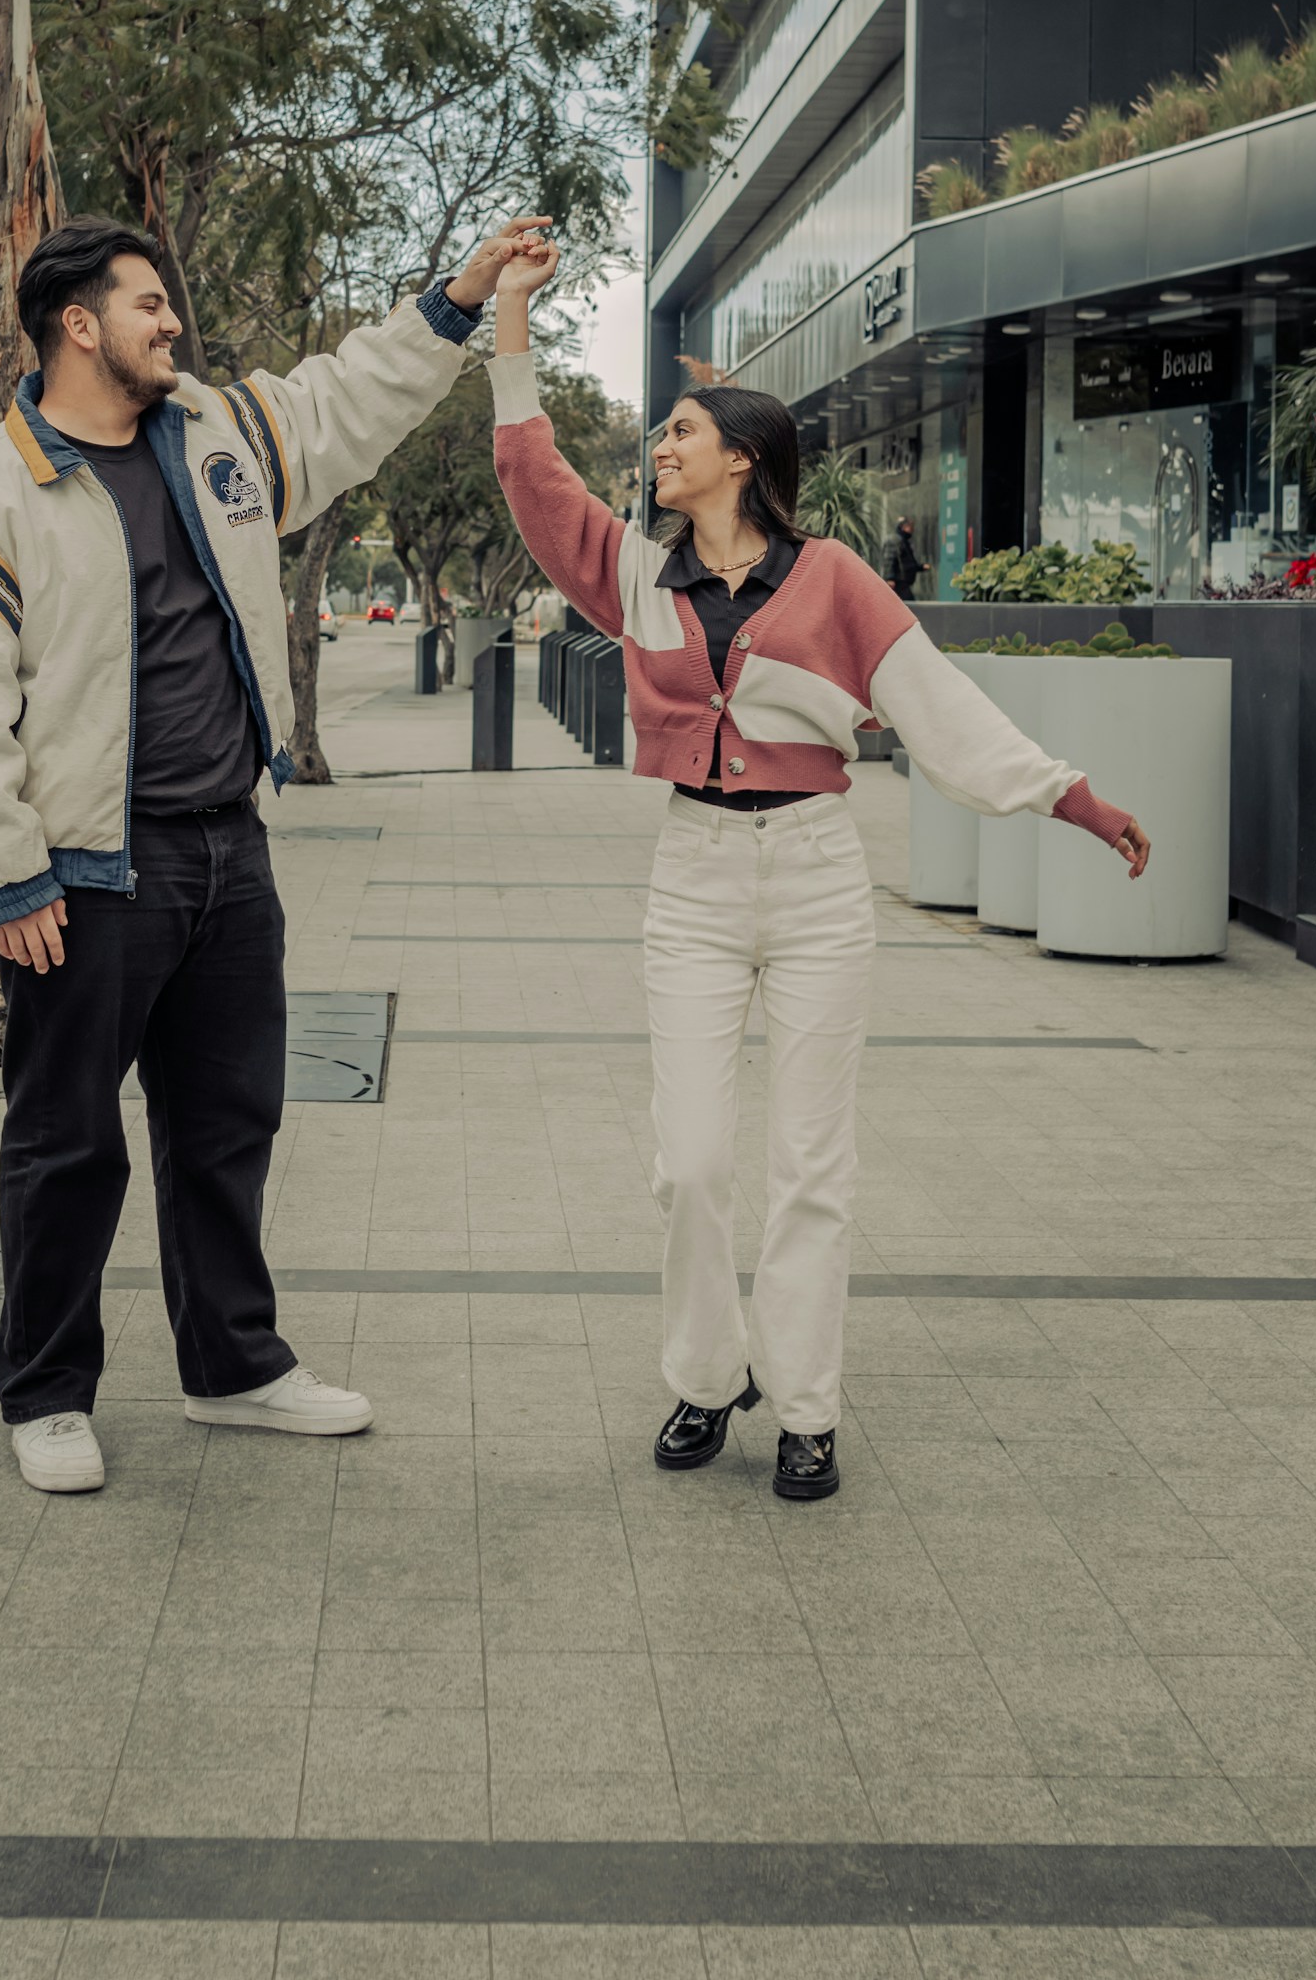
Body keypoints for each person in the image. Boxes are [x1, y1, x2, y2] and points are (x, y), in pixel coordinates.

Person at [0, 212, 541, 1492]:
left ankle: (234, 1367)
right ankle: (48, 1391)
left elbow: (351, 398)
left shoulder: (218, 434)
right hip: (87, 876)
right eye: (147, 304)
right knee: (67, 1139)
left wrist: (458, 299)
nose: (169, 322)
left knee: (228, 1124)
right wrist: (5, 875)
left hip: (230, 853)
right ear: (78, 323)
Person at [488, 238, 1150, 1504]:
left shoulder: (834, 579)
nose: (659, 450)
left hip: (813, 879)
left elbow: (940, 711)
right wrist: (511, 321)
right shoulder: (637, 574)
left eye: (680, 432)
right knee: (688, 1161)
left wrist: (1071, 798)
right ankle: (702, 1376)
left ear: (743, 456)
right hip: (691, 874)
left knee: (810, 1162)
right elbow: (534, 479)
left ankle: (804, 1406)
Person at [881, 515, 923, 600]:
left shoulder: (904, 541)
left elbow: (908, 562)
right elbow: (889, 560)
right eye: (908, 526)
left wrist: (920, 567)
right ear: (902, 527)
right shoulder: (895, 540)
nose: (911, 529)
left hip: (903, 582)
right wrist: (890, 578)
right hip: (898, 582)